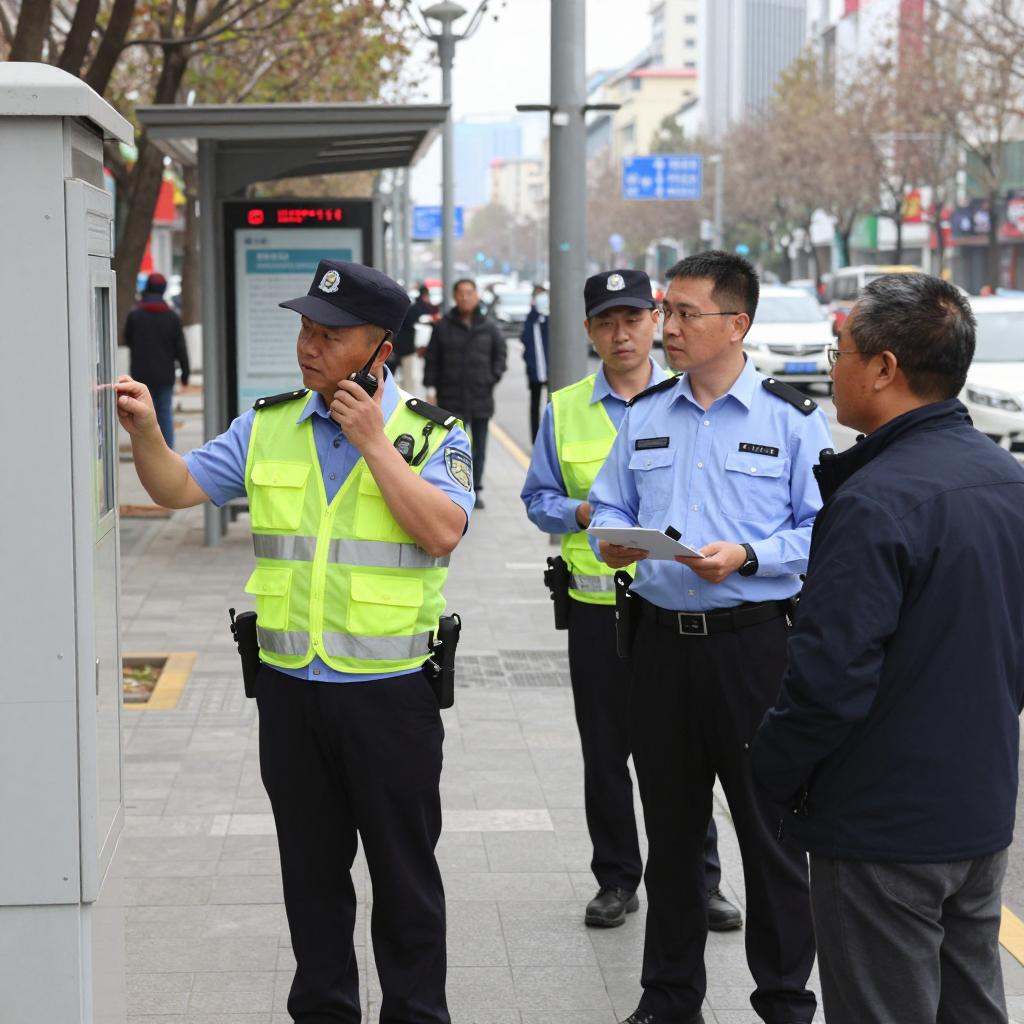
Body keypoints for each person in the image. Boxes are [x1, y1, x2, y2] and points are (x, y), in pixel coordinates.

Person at [113, 259, 475, 1024]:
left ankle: (415, 1013)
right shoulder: (268, 424)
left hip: (391, 697)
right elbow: (176, 488)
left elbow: (444, 531)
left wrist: (376, 444)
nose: (309, 347)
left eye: (329, 335)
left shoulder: (432, 433)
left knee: (404, 880)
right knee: (310, 878)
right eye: (305, 330)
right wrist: (147, 431)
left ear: (381, 348)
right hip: (289, 692)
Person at [751, 274, 1024, 1024]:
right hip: (978, 809)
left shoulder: (874, 500)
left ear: (884, 369)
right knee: (971, 1004)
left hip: (880, 825)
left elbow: (829, 679)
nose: (833, 365)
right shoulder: (1007, 480)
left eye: (841, 349)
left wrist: (770, 768)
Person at [589, 251, 832, 1024]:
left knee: (770, 838)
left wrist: (752, 556)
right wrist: (615, 542)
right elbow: (604, 511)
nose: (668, 329)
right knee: (672, 832)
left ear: (738, 324)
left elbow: (826, 532)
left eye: (686, 314)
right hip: (658, 647)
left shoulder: (790, 420)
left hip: (754, 648)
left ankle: (786, 1000)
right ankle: (668, 999)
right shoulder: (645, 415)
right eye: (668, 312)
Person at [521, 269, 741, 933]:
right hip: (597, 611)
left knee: (686, 751)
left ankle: (701, 883)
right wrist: (584, 511)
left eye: (632, 319)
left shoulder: (693, 399)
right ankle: (617, 879)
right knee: (605, 752)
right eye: (605, 323)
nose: (621, 334)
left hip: (673, 610)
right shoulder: (563, 409)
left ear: (655, 320)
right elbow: (537, 500)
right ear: (589, 332)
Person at [423, 278, 507, 509]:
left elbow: (500, 355)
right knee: (452, 447)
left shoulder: (489, 327)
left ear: (477, 295)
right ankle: (454, 489)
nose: (465, 297)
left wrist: (491, 378)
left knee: (479, 448)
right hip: (450, 399)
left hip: (481, 397)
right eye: (460, 293)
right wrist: (430, 388)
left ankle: (476, 489)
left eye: (469, 293)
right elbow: (432, 359)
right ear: (454, 296)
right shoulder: (443, 326)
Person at [123, 271, 190, 448]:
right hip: (165, 375)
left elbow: (127, 339)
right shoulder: (171, 317)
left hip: (141, 374)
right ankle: (167, 451)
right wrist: (185, 375)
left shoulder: (135, 315)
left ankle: (147, 450)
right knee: (164, 413)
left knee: (142, 414)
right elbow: (180, 348)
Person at [391, 283, 436, 393]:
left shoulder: (411, 308)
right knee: (408, 377)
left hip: (396, 346)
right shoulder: (421, 309)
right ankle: (406, 400)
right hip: (408, 348)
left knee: (395, 374)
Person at [521, 284, 550, 442]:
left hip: (551, 370)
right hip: (535, 370)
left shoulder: (551, 318)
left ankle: (549, 438)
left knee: (551, 405)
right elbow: (525, 339)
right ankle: (535, 440)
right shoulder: (531, 318)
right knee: (535, 405)